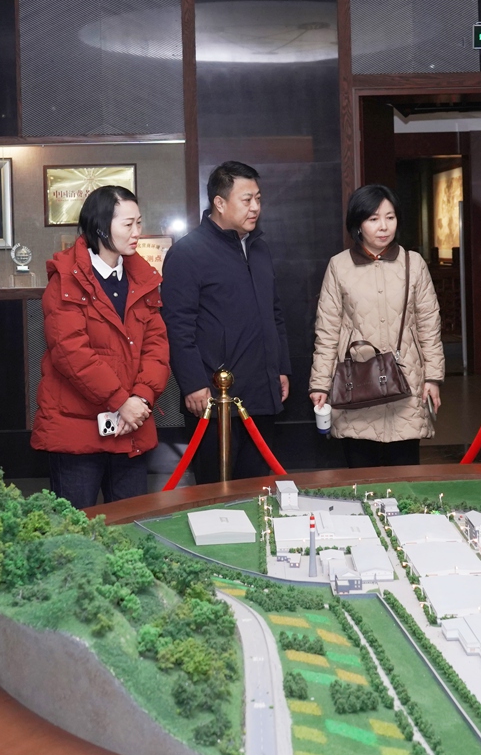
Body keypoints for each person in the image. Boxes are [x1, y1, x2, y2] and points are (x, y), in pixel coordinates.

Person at [33, 185, 170, 505]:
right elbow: (71, 353)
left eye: (139, 223)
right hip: (77, 428)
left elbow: (156, 345)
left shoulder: (144, 278)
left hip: (131, 425)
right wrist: (121, 401)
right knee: (75, 527)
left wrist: (141, 397)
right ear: (101, 228)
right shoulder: (66, 279)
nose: (137, 232)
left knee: (131, 523)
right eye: (128, 224)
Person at [161, 161, 291, 483]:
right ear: (219, 203)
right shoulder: (188, 253)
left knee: (257, 485)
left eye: (258, 199)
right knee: (215, 490)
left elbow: (275, 314)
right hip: (213, 398)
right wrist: (193, 383)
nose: (255, 207)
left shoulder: (259, 250)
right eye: (247, 200)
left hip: (262, 392)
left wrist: (281, 368)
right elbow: (178, 327)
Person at [307, 185, 445, 468]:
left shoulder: (414, 264)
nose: (383, 226)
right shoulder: (339, 266)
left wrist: (432, 378)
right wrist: (320, 383)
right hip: (356, 385)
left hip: (406, 383)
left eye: (390, 217)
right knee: (362, 475)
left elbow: (429, 326)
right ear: (358, 224)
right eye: (373, 219)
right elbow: (327, 331)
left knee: (406, 476)